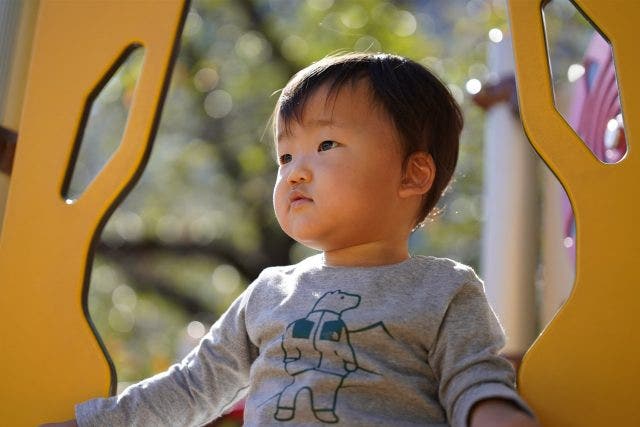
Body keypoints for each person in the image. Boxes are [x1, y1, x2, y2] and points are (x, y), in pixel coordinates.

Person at [45, 52, 538, 427]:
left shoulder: (443, 290)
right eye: (285, 157)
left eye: (325, 145)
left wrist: (499, 416)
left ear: (413, 174)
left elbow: (473, 381)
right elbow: (193, 387)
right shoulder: (269, 293)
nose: (295, 172)